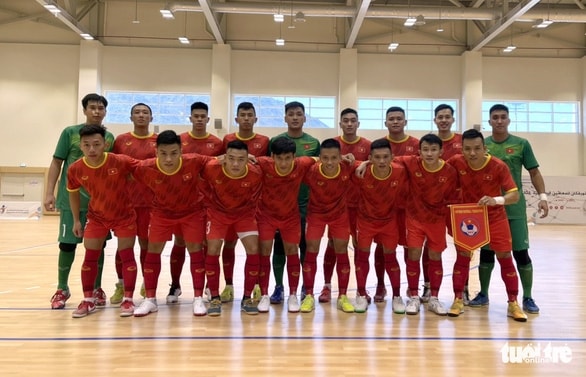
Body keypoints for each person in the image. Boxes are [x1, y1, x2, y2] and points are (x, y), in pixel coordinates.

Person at [468, 104, 548, 314]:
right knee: (487, 254)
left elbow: (534, 172)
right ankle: (483, 294)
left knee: (521, 253)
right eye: (495, 117)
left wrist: (542, 196)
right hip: (488, 211)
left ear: (509, 120)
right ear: (489, 121)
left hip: (514, 210)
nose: (499, 121)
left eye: (503, 117)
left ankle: (528, 297)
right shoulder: (481, 145)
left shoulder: (521, 144)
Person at [446, 129, 527, 322]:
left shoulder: (498, 166)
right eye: (467, 149)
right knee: (463, 258)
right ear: (462, 149)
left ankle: (513, 303)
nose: (472, 153)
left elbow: (514, 195)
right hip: (468, 218)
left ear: (485, 148)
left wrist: (496, 200)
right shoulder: (456, 162)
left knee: (505, 257)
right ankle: (458, 300)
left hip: (495, 217)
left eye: (476, 148)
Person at [132, 130, 215, 317]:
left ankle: (198, 298)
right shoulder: (145, 167)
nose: (168, 159)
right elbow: (122, 167)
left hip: (192, 212)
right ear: (156, 151)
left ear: (181, 150)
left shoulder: (194, 161)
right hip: (161, 214)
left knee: (195, 251)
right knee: (153, 251)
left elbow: (219, 160)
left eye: (173, 153)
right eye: (163, 154)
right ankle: (150, 299)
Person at [45, 93, 114, 310]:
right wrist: (49, 192)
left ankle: (96, 287)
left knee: (98, 246)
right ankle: (62, 288)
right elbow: (57, 162)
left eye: (100, 108)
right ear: (84, 110)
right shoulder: (69, 133)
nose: (96, 111)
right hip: (70, 199)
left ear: (105, 112)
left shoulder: (109, 137)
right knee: (67, 245)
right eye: (92, 107)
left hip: (99, 203)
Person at [67, 124, 139, 318]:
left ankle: (128, 300)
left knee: (127, 255)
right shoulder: (75, 169)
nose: (92, 149)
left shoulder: (120, 161)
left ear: (105, 144)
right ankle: (88, 300)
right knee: (90, 256)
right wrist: (76, 221)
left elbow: (146, 168)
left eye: (96, 144)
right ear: (80, 145)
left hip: (124, 216)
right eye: (87, 144)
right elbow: (72, 194)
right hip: (97, 217)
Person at [166, 102, 224, 305]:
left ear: (208, 119)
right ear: (190, 118)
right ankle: (175, 284)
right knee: (180, 243)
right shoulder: (180, 141)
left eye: (203, 116)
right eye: (196, 116)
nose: (199, 119)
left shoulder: (217, 143)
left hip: (209, 201)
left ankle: (208, 285)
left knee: (208, 244)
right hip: (184, 201)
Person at [397, 134, 459, 316]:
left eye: (433, 150)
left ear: (441, 151)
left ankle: (434, 297)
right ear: (419, 151)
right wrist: (364, 163)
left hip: (436, 220)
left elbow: (453, 197)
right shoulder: (411, 162)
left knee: (435, 257)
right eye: (425, 150)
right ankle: (414, 297)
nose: (429, 153)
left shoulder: (449, 172)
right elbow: (385, 158)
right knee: (414, 255)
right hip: (414, 218)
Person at [255, 137, 317, 312]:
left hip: (290, 217)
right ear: (272, 156)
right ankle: (265, 294)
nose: (283, 163)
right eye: (279, 158)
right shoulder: (263, 163)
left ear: (294, 157)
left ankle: (293, 295)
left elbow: (320, 158)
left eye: (287, 158)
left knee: (292, 252)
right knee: (265, 252)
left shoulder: (302, 164)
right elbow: (245, 158)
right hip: (266, 216)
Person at [201, 140, 263, 316]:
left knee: (253, 249)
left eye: (241, 159)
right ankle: (214, 297)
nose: (235, 163)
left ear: (247, 159)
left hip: (244, 215)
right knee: (212, 249)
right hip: (217, 214)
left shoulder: (255, 173)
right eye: (231, 158)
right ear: (224, 158)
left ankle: (247, 297)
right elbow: (195, 163)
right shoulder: (211, 167)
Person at [319, 108, 372, 304]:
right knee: (333, 245)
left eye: (353, 121)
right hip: (337, 206)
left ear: (358, 123)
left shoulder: (367, 145)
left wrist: (360, 161)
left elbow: (375, 164)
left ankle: (361, 289)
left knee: (360, 247)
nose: (349, 124)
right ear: (340, 123)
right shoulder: (333, 145)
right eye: (345, 121)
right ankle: (326, 286)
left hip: (360, 205)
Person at [269, 101, 320, 305]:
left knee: (304, 247)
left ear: (305, 118)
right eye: (291, 114)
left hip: (306, 205)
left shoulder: (314, 143)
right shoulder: (275, 141)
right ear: (285, 118)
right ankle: (279, 286)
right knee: (280, 247)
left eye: (299, 114)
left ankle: (305, 287)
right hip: (281, 205)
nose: (295, 117)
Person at [219, 102, 270, 304]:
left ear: (255, 119)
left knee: (254, 247)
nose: (246, 118)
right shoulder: (228, 139)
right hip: (229, 202)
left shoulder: (264, 141)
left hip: (253, 203)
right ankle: (228, 285)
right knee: (228, 244)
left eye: (250, 115)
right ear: (236, 119)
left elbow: (266, 167)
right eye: (243, 115)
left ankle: (256, 286)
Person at [299, 138, 357, 314]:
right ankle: (309, 295)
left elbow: (373, 162)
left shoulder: (348, 166)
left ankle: (343, 296)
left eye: (334, 158)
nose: (330, 162)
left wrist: (363, 163)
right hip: (316, 215)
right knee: (312, 250)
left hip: (339, 216)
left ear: (341, 157)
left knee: (341, 251)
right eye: (325, 158)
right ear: (320, 157)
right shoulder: (311, 171)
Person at [351, 138, 408, 313]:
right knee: (362, 256)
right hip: (366, 221)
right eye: (377, 157)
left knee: (391, 258)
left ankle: (397, 296)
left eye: (385, 157)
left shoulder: (400, 171)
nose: (381, 161)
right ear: (370, 157)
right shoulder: (361, 171)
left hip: (389, 222)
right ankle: (361, 294)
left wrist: (367, 161)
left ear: (392, 157)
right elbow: (344, 160)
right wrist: (364, 163)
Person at [110, 103, 157, 305]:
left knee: (147, 245)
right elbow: (111, 167)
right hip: (126, 203)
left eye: (145, 113)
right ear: (130, 117)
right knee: (124, 248)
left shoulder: (158, 141)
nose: (141, 115)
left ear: (151, 118)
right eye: (137, 112)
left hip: (150, 203)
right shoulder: (121, 140)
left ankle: (147, 284)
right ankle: (121, 285)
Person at [418, 104, 466, 304]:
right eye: (440, 117)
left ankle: (462, 289)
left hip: (457, 205)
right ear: (435, 119)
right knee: (429, 248)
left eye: (447, 116)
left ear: (453, 119)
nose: (444, 120)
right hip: (432, 207)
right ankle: (428, 287)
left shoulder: (463, 141)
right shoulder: (428, 143)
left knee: (464, 247)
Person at [384, 106, 419, 302]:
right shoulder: (380, 145)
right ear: (386, 123)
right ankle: (381, 286)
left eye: (399, 118)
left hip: (409, 208)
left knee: (411, 250)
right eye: (392, 119)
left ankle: (413, 288)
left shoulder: (416, 144)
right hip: (386, 207)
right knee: (383, 249)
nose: (395, 121)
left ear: (405, 122)